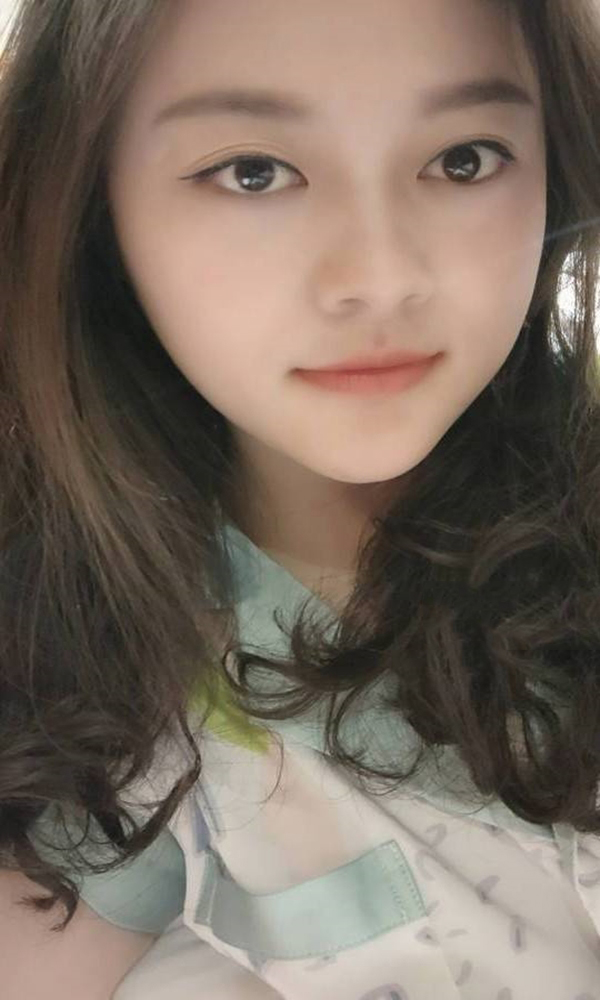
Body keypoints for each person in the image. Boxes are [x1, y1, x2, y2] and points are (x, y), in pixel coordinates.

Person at [1, 0, 600, 996]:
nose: (380, 277)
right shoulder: (89, 665)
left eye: (463, 160)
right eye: (253, 171)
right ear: (90, 206)